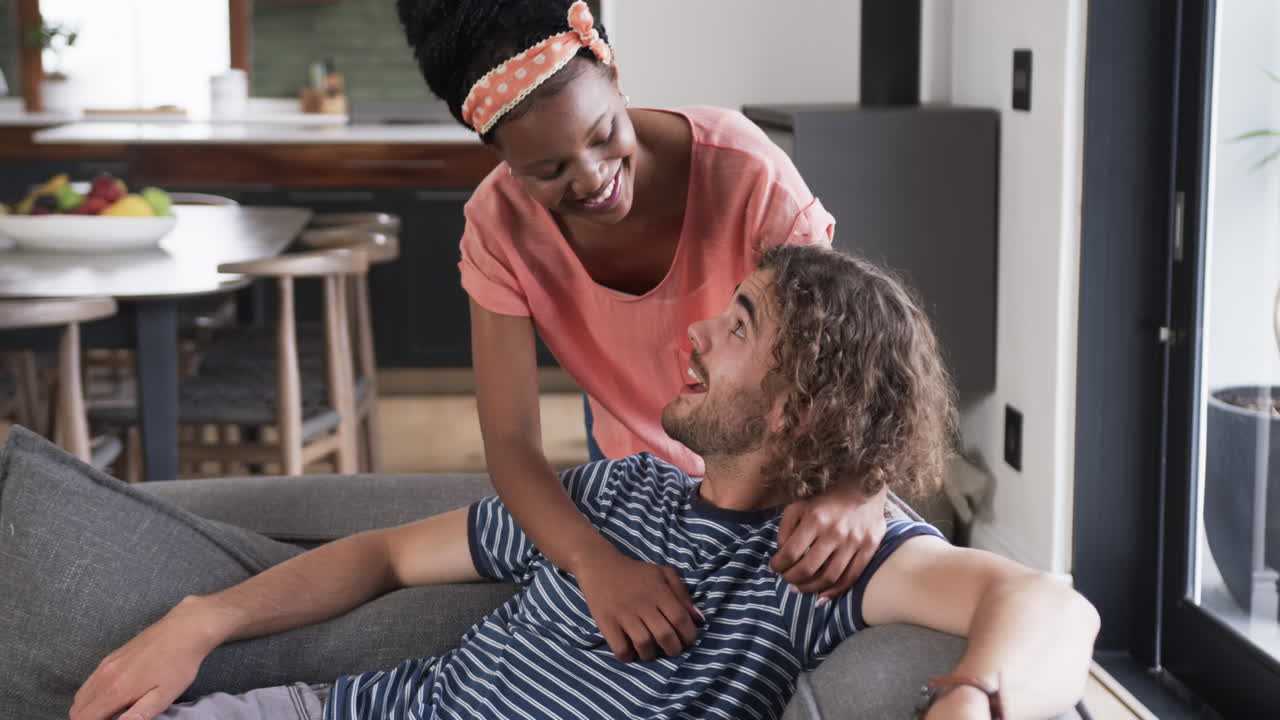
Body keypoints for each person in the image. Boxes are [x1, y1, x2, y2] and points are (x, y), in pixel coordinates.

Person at [71, 246, 1099, 720]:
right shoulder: (616, 495)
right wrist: (198, 622)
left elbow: (1051, 608)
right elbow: (385, 555)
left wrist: (969, 701)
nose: (694, 331)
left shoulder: (824, 567)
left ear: (797, 408)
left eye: (736, 327)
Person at [393, 0, 892, 658]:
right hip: (629, 490)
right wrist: (594, 564)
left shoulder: (747, 171)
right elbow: (512, 441)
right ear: (502, 159)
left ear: (614, 74)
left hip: (772, 482)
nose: (594, 177)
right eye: (548, 171)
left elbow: (847, 357)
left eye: (603, 134)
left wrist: (860, 488)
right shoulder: (498, 228)